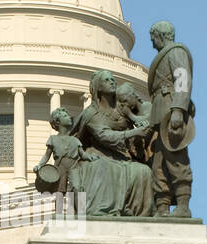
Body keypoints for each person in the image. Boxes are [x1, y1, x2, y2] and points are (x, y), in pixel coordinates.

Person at [69, 70, 154, 216]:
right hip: (96, 155)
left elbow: (141, 113)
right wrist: (133, 132)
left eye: (113, 79)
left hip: (121, 156)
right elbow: (105, 136)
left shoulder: (121, 107)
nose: (112, 81)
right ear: (98, 87)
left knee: (144, 171)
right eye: (107, 80)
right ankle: (102, 210)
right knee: (102, 167)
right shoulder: (91, 113)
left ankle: (138, 214)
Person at [145, 20, 195, 218]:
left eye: (153, 38)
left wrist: (178, 110)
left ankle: (183, 207)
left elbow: (182, 79)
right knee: (159, 163)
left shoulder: (175, 52)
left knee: (175, 158)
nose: (152, 43)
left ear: (161, 36)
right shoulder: (165, 54)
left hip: (170, 111)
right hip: (161, 113)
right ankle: (163, 206)